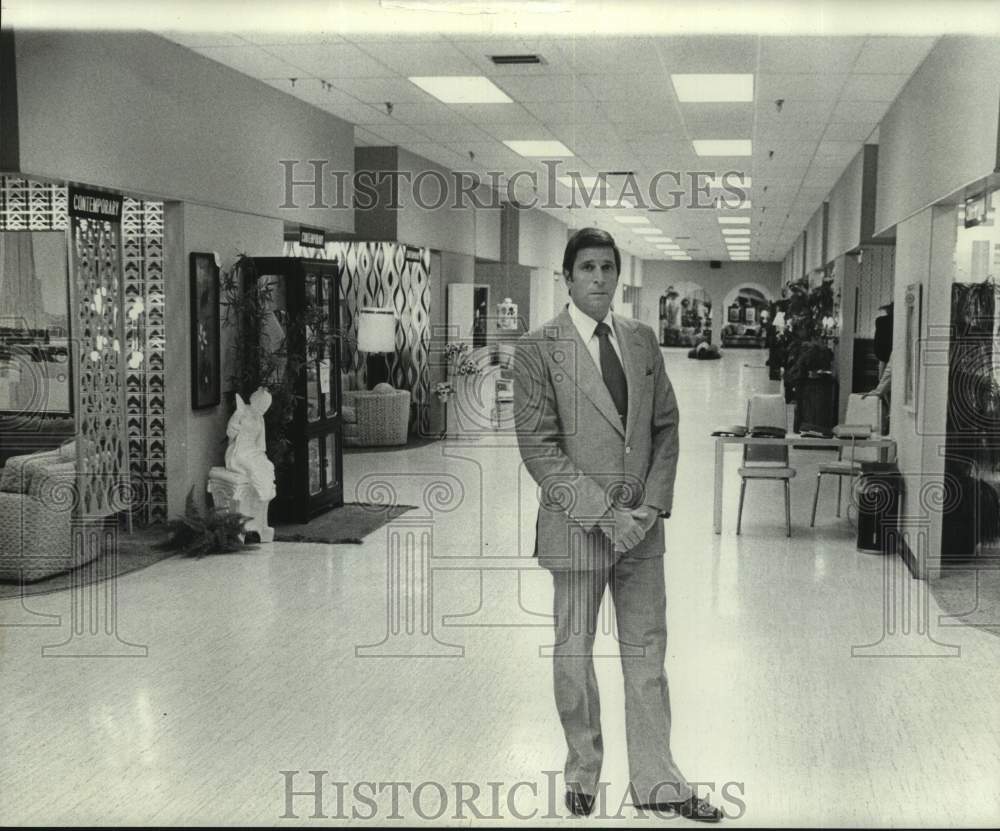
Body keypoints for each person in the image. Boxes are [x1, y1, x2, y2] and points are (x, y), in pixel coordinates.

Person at [513, 227, 722, 822]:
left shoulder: (641, 340)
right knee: (574, 656)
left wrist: (649, 509)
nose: (599, 279)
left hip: (643, 532)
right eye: (587, 269)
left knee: (647, 658)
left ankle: (659, 783)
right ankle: (582, 769)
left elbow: (666, 427)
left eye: (607, 268)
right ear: (568, 277)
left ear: (618, 275)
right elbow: (540, 450)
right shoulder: (536, 349)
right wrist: (609, 517)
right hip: (579, 528)